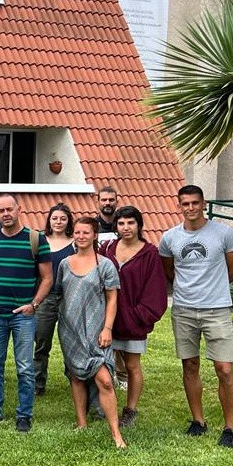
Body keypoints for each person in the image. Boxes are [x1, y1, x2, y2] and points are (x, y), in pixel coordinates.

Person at [159, 185, 233, 449]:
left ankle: (230, 428)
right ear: (179, 206)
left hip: (216, 309)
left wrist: (212, 289)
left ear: (203, 204)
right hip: (184, 309)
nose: (190, 208)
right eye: (185, 204)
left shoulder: (224, 234)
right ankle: (198, 421)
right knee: (190, 366)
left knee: (224, 369)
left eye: (195, 203)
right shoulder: (169, 238)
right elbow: (169, 272)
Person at [0, 193, 52, 433]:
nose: (6, 214)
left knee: (25, 368)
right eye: (1, 211)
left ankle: (24, 415)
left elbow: (47, 277)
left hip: (24, 315)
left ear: (19, 209)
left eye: (10, 209)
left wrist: (34, 304)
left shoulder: (35, 239)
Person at [56, 216, 125, 448]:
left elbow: (112, 299)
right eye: (77, 232)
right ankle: (81, 422)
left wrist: (107, 328)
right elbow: (60, 293)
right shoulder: (65, 263)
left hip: (97, 330)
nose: (81, 236)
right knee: (76, 375)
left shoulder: (104, 264)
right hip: (70, 329)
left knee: (105, 380)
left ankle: (116, 434)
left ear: (94, 235)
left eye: (86, 232)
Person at [100, 206, 168, 428]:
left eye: (130, 223)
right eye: (121, 223)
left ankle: (130, 409)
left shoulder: (149, 254)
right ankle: (101, 405)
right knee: (102, 364)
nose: (126, 228)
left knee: (132, 366)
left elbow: (155, 291)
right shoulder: (107, 249)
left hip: (133, 321)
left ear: (139, 225)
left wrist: (137, 316)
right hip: (106, 320)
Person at [33, 203, 74, 397]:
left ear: (68, 222)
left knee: (71, 342)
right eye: (55, 218)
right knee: (41, 342)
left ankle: (74, 379)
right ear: (49, 220)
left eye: (63, 219)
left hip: (70, 298)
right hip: (46, 299)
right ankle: (38, 383)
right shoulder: (40, 241)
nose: (58, 222)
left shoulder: (76, 242)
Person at [93, 185, 127, 390]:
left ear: (117, 201)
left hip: (121, 287)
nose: (107, 203)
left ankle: (122, 375)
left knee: (120, 331)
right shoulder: (92, 226)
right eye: (104, 200)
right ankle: (102, 369)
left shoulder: (123, 225)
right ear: (98, 201)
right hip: (97, 288)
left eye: (111, 200)